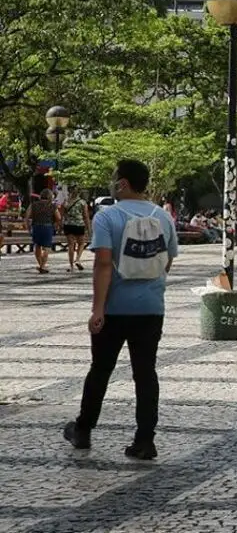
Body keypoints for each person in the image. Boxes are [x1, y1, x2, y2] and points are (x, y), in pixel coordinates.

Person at [63, 159, 179, 460]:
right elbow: (167, 261)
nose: (112, 182)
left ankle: (84, 430)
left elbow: (103, 264)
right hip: (152, 308)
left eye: (115, 178)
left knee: (100, 370)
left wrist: (97, 309)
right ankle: (144, 440)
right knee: (145, 373)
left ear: (124, 183)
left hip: (114, 309)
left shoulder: (107, 217)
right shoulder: (162, 217)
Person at [24, 188, 60, 274]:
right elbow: (59, 217)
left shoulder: (33, 204)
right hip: (47, 227)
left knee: (37, 246)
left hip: (36, 227)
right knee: (47, 247)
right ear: (50, 196)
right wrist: (56, 225)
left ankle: (40, 264)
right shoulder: (52, 205)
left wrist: (28, 228)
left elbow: (27, 217)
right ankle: (42, 265)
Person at [60, 187, 91, 272]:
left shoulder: (65, 202)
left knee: (71, 245)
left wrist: (60, 226)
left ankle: (71, 266)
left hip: (68, 225)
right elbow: (86, 216)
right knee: (81, 243)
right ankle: (77, 259)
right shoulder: (82, 202)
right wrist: (89, 228)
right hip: (79, 225)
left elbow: (62, 215)